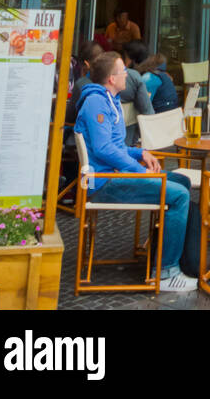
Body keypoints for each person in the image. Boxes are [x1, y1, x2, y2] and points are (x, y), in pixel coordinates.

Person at [73, 52, 198, 291]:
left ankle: (163, 254)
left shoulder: (108, 100)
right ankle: (166, 272)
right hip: (103, 182)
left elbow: (115, 146)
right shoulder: (96, 103)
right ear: (111, 78)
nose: (127, 76)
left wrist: (140, 154)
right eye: (122, 72)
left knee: (181, 181)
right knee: (179, 196)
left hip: (111, 175)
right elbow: (103, 148)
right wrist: (138, 170)